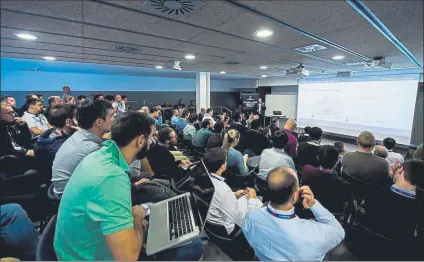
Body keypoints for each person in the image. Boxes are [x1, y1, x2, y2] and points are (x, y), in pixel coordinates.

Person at [54, 112, 203, 261]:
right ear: (140, 141)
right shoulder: (111, 178)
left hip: (76, 247)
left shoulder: (101, 155)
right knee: (194, 245)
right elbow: (127, 258)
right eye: (150, 138)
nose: (151, 142)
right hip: (88, 256)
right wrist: (137, 219)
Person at [242, 166, 345, 261]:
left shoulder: (250, 217)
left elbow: (253, 212)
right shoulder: (313, 235)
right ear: (295, 196)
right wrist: (314, 204)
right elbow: (339, 231)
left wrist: (252, 199)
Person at [357, 160, 424, 257]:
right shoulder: (419, 207)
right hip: (397, 253)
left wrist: (390, 177)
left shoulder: (374, 191)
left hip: (364, 244)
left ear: (400, 171)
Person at [51, 100, 114, 196]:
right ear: (99, 122)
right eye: (112, 116)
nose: (115, 119)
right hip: (75, 202)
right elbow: (109, 182)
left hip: (66, 193)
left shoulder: (78, 137)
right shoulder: (93, 149)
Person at [205, 148, 262, 236]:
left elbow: (218, 199)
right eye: (226, 160)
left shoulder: (205, 179)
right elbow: (245, 220)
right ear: (222, 166)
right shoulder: (223, 189)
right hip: (227, 229)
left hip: (214, 224)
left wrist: (234, 195)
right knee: (258, 206)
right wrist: (252, 199)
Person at [301, 145, 351, 214]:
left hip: (307, 208)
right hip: (327, 211)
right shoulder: (341, 184)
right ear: (336, 162)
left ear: (318, 157)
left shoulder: (306, 169)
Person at [34, 104, 78, 175]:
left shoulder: (45, 137)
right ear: (69, 122)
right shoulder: (65, 147)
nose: (78, 121)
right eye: (76, 118)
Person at [0, 104, 34, 175]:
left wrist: (23, 126)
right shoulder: (2, 128)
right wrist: (25, 152)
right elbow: (7, 147)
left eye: (13, 112)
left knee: (42, 151)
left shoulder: (12, 125)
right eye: (10, 113)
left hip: (17, 153)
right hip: (7, 157)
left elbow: (26, 141)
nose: (14, 114)